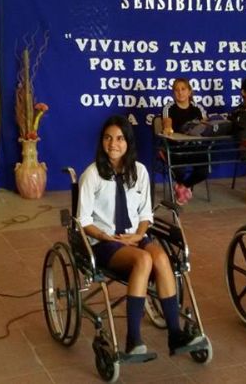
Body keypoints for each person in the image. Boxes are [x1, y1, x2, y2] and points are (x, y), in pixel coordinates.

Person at [78, 115, 203, 356]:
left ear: (128, 142)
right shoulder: (92, 175)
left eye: (120, 138)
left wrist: (139, 235)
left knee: (162, 258)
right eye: (108, 138)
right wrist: (106, 237)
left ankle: (175, 334)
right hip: (104, 241)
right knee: (143, 260)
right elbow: (83, 221)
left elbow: (146, 213)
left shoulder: (140, 172)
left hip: (134, 237)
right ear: (101, 142)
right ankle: (133, 339)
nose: (113, 144)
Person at [161, 77, 208, 205]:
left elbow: (206, 126)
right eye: (176, 90)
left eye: (183, 89)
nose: (180, 93)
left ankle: (182, 187)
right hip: (176, 149)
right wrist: (167, 128)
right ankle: (183, 186)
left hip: (195, 148)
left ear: (189, 91)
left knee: (204, 171)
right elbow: (167, 122)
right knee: (179, 170)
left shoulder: (198, 108)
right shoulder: (169, 108)